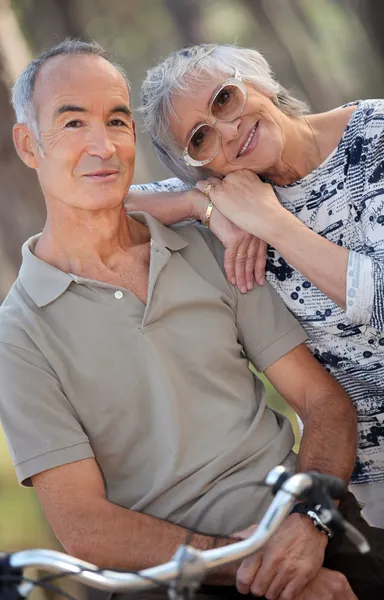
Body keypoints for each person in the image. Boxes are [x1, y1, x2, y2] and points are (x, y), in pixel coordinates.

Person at [0, 39, 382, 600]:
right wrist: (245, 563)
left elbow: (324, 403)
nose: (103, 145)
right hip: (180, 575)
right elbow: (83, 526)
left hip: (309, 522)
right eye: (72, 123)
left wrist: (306, 524)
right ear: (28, 145)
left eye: (116, 121)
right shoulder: (15, 339)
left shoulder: (212, 250)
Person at [127, 42, 384, 528]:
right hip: (356, 484)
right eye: (201, 138)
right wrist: (199, 205)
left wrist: (270, 222)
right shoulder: (229, 193)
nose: (227, 132)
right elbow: (94, 202)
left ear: (260, 81)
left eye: (224, 99)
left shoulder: (374, 134)